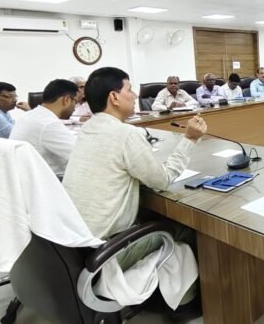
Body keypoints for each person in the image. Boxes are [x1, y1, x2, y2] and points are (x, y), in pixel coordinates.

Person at [63, 67, 206, 307]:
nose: (136, 95)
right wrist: (190, 138)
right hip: (106, 251)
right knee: (189, 228)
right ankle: (185, 303)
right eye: (129, 89)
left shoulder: (88, 128)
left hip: (77, 244)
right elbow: (162, 180)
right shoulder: (126, 134)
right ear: (114, 97)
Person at [10, 79, 78, 176]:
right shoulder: (48, 124)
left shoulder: (30, 115)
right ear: (66, 100)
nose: (75, 108)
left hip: (27, 175)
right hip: (52, 179)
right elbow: (81, 155)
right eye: (75, 102)